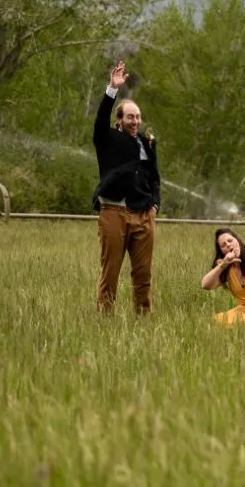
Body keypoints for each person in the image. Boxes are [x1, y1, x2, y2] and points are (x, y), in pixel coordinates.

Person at [91, 60, 161, 315]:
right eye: (131, 117)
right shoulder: (108, 139)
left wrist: (155, 204)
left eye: (138, 117)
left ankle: (143, 318)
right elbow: (99, 122)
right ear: (119, 120)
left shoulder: (147, 142)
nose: (136, 121)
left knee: (143, 274)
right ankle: (105, 319)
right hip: (114, 212)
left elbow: (155, 176)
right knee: (110, 272)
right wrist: (112, 89)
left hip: (144, 215)